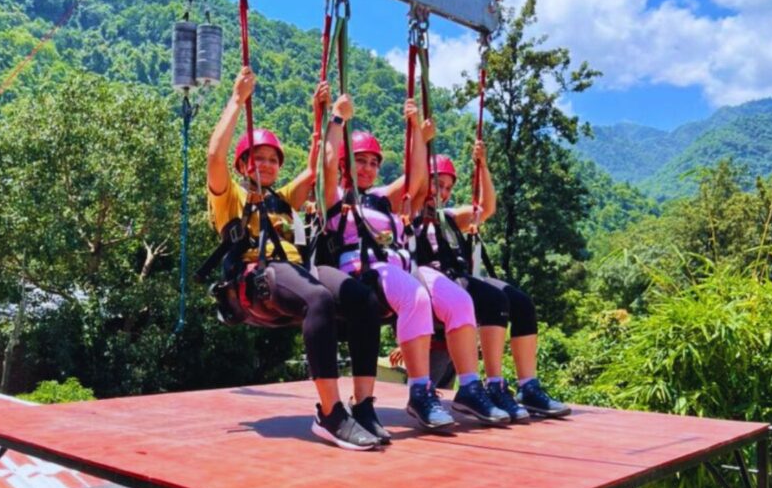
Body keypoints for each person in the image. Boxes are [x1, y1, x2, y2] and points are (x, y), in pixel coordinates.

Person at [205, 68, 384, 450]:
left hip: (295, 271)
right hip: (257, 276)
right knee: (318, 297)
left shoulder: (284, 199)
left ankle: (364, 405)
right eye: (257, 158)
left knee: (360, 297)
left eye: (272, 159)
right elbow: (214, 155)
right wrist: (237, 99)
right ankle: (330, 413)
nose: (266, 165)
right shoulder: (230, 196)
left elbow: (320, 168)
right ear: (242, 165)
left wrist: (332, 118)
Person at [322, 95, 510, 435]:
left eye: (372, 163)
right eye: (359, 161)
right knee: (416, 297)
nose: (366, 168)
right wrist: (336, 119)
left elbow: (416, 179)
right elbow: (328, 164)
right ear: (349, 164)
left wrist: (416, 134)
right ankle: (420, 390)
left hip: (399, 269)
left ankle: (469, 385)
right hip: (365, 271)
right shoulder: (336, 196)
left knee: (460, 302)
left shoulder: (382, 199)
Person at [413, 144, 570, 419]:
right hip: (436, 283)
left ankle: (527, 386)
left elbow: (484, 209)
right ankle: (493, 383)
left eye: (449, 187)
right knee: (492, 299)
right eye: (438, 184)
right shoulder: (411, 215)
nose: (444, 192)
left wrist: (482, 165)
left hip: (460, 277)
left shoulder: (449, 218)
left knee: (520, 303)